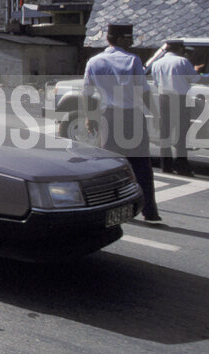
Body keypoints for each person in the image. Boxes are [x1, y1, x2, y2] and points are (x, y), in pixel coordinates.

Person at [82, 23, 160, 222]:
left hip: (108, 116)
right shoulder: (132, 60)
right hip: (132, 116)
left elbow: (88, 93)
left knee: (110, 165)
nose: (131, 42)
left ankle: (109, 208)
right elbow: (143, 92)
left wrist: (89, 117)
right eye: (128, 38)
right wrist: (157, 115)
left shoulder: (94, 61)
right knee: (141, 165)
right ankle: (149, 210)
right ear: (119, 39)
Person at [145, 40, 197, 176]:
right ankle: (182, 166)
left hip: (164, 98)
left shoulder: (157, 63)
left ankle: (166, 166)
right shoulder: (182, 61)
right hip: (180, 98)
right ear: (180, 49)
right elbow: (194, 79)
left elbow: (156, 83)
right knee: (181, 133)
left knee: (166, 133)